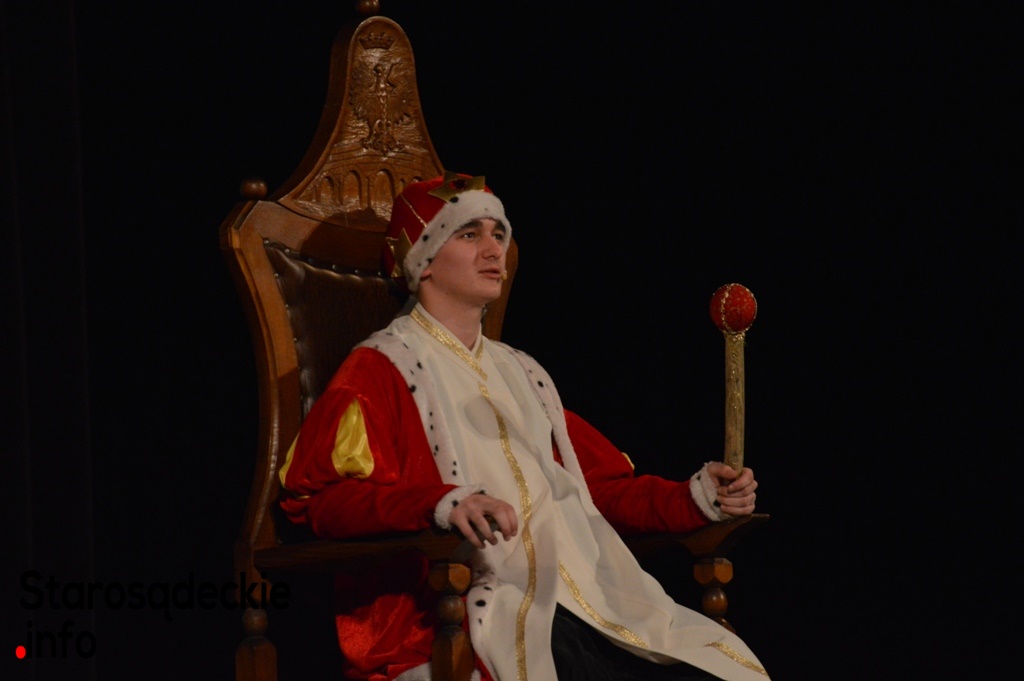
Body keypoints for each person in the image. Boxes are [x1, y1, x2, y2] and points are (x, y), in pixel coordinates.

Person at [278, 172, 769, 681]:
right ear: (422, 260)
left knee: (712, 667)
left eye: (498, 233)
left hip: (586, 596)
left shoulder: (522, 373)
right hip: (472, 607)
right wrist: (442, 504)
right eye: (469, 234)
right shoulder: (380, 370)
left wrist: (694, 497)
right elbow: (323, 500)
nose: (495, 249)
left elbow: (594, 491)